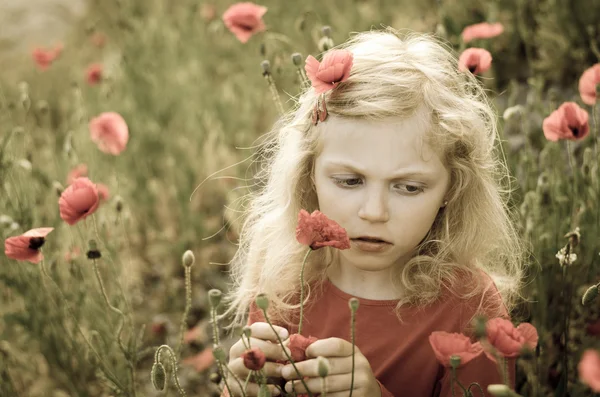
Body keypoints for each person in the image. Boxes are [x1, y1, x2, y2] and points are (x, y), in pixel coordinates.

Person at [218, 27, 526, 397]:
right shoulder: (286, 284)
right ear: (309, 176)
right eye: (350, 181)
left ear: (452, 188)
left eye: (409, 187)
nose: (374, 212)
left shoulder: (471, 309)